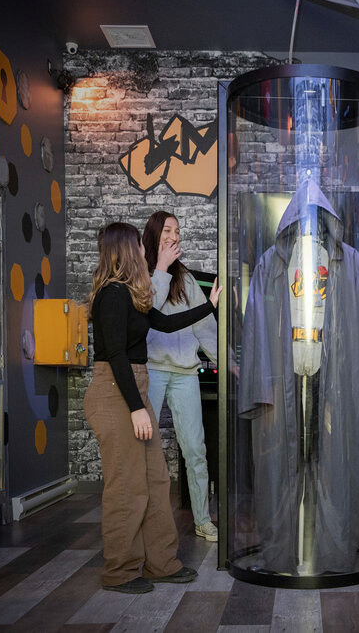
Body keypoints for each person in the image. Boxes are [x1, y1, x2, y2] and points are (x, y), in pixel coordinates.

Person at [84, 222, 222, 594]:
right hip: (116, 393)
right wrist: (136, 408)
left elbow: (165, 321)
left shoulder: (130, 295)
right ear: (126, 251)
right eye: (139, 247)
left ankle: (161, 563)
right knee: (127, 488)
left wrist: (208, 306)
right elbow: (114, 355)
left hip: (132, 388)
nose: (145, 252)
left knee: (156, 481)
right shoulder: (111, 295)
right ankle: (120, 571)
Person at [142, 210, 219, 542]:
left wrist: (227, 361)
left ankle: (203, 520)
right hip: (153, 371)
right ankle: (145, 523)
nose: (174, 236)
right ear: (156, 235)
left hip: (185, 372)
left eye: (177, 231)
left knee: (195, 450)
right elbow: (148, 308)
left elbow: (205, 326)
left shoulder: (186, 279)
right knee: (143, 450)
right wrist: (159, 268)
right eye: (168, 230)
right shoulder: (143, 274)